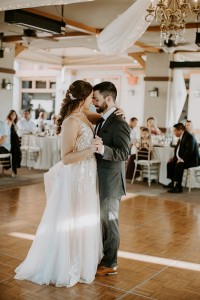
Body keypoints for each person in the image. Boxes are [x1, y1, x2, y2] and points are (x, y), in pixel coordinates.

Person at [14, 80, 103, 287]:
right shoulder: (71, 121)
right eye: (91, 97)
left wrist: (116, 112)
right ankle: (64, 265)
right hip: (76, 179)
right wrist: (91, 149)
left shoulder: (84, 115)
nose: (93, 101)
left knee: (82, 220)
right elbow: (66, 157)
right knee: (71, 221)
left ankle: (79, 262)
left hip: (87, 177)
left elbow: (102, 116)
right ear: (82, 99)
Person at [91, 81, 131, 276]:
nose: (93, 102)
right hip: (101, 178)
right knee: (103, 221)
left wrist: (102, 149)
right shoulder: (103, 119)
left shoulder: (119, 122)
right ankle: (103, 257)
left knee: (110, 222)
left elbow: (124, 153)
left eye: (96, 99)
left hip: (112, 181)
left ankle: (110, 263)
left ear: (109, 99)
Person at [164, 123, 199, 193]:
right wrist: (174, 158)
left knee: (179, 165)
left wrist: (182, 160)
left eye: (175, 131)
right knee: (170, 163)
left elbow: (189, 151)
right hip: (186, 158)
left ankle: (178, 187)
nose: (174, 132)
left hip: (193, 160)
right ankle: (172, 182)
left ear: (180, 130)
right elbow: (178, 149)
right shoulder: (182, 136)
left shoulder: (189, 137)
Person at [5, 110, 21, 174]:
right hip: (11, 141)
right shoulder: (8, 121)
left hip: (15, 141)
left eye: (14, 114)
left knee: (18, 153)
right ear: (9, 115)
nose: (13, 116)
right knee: (14, 153)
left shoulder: (14, 122)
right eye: (12, 114)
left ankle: (14, 168)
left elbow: (16, 131)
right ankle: (14, 169)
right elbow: (6, 132)